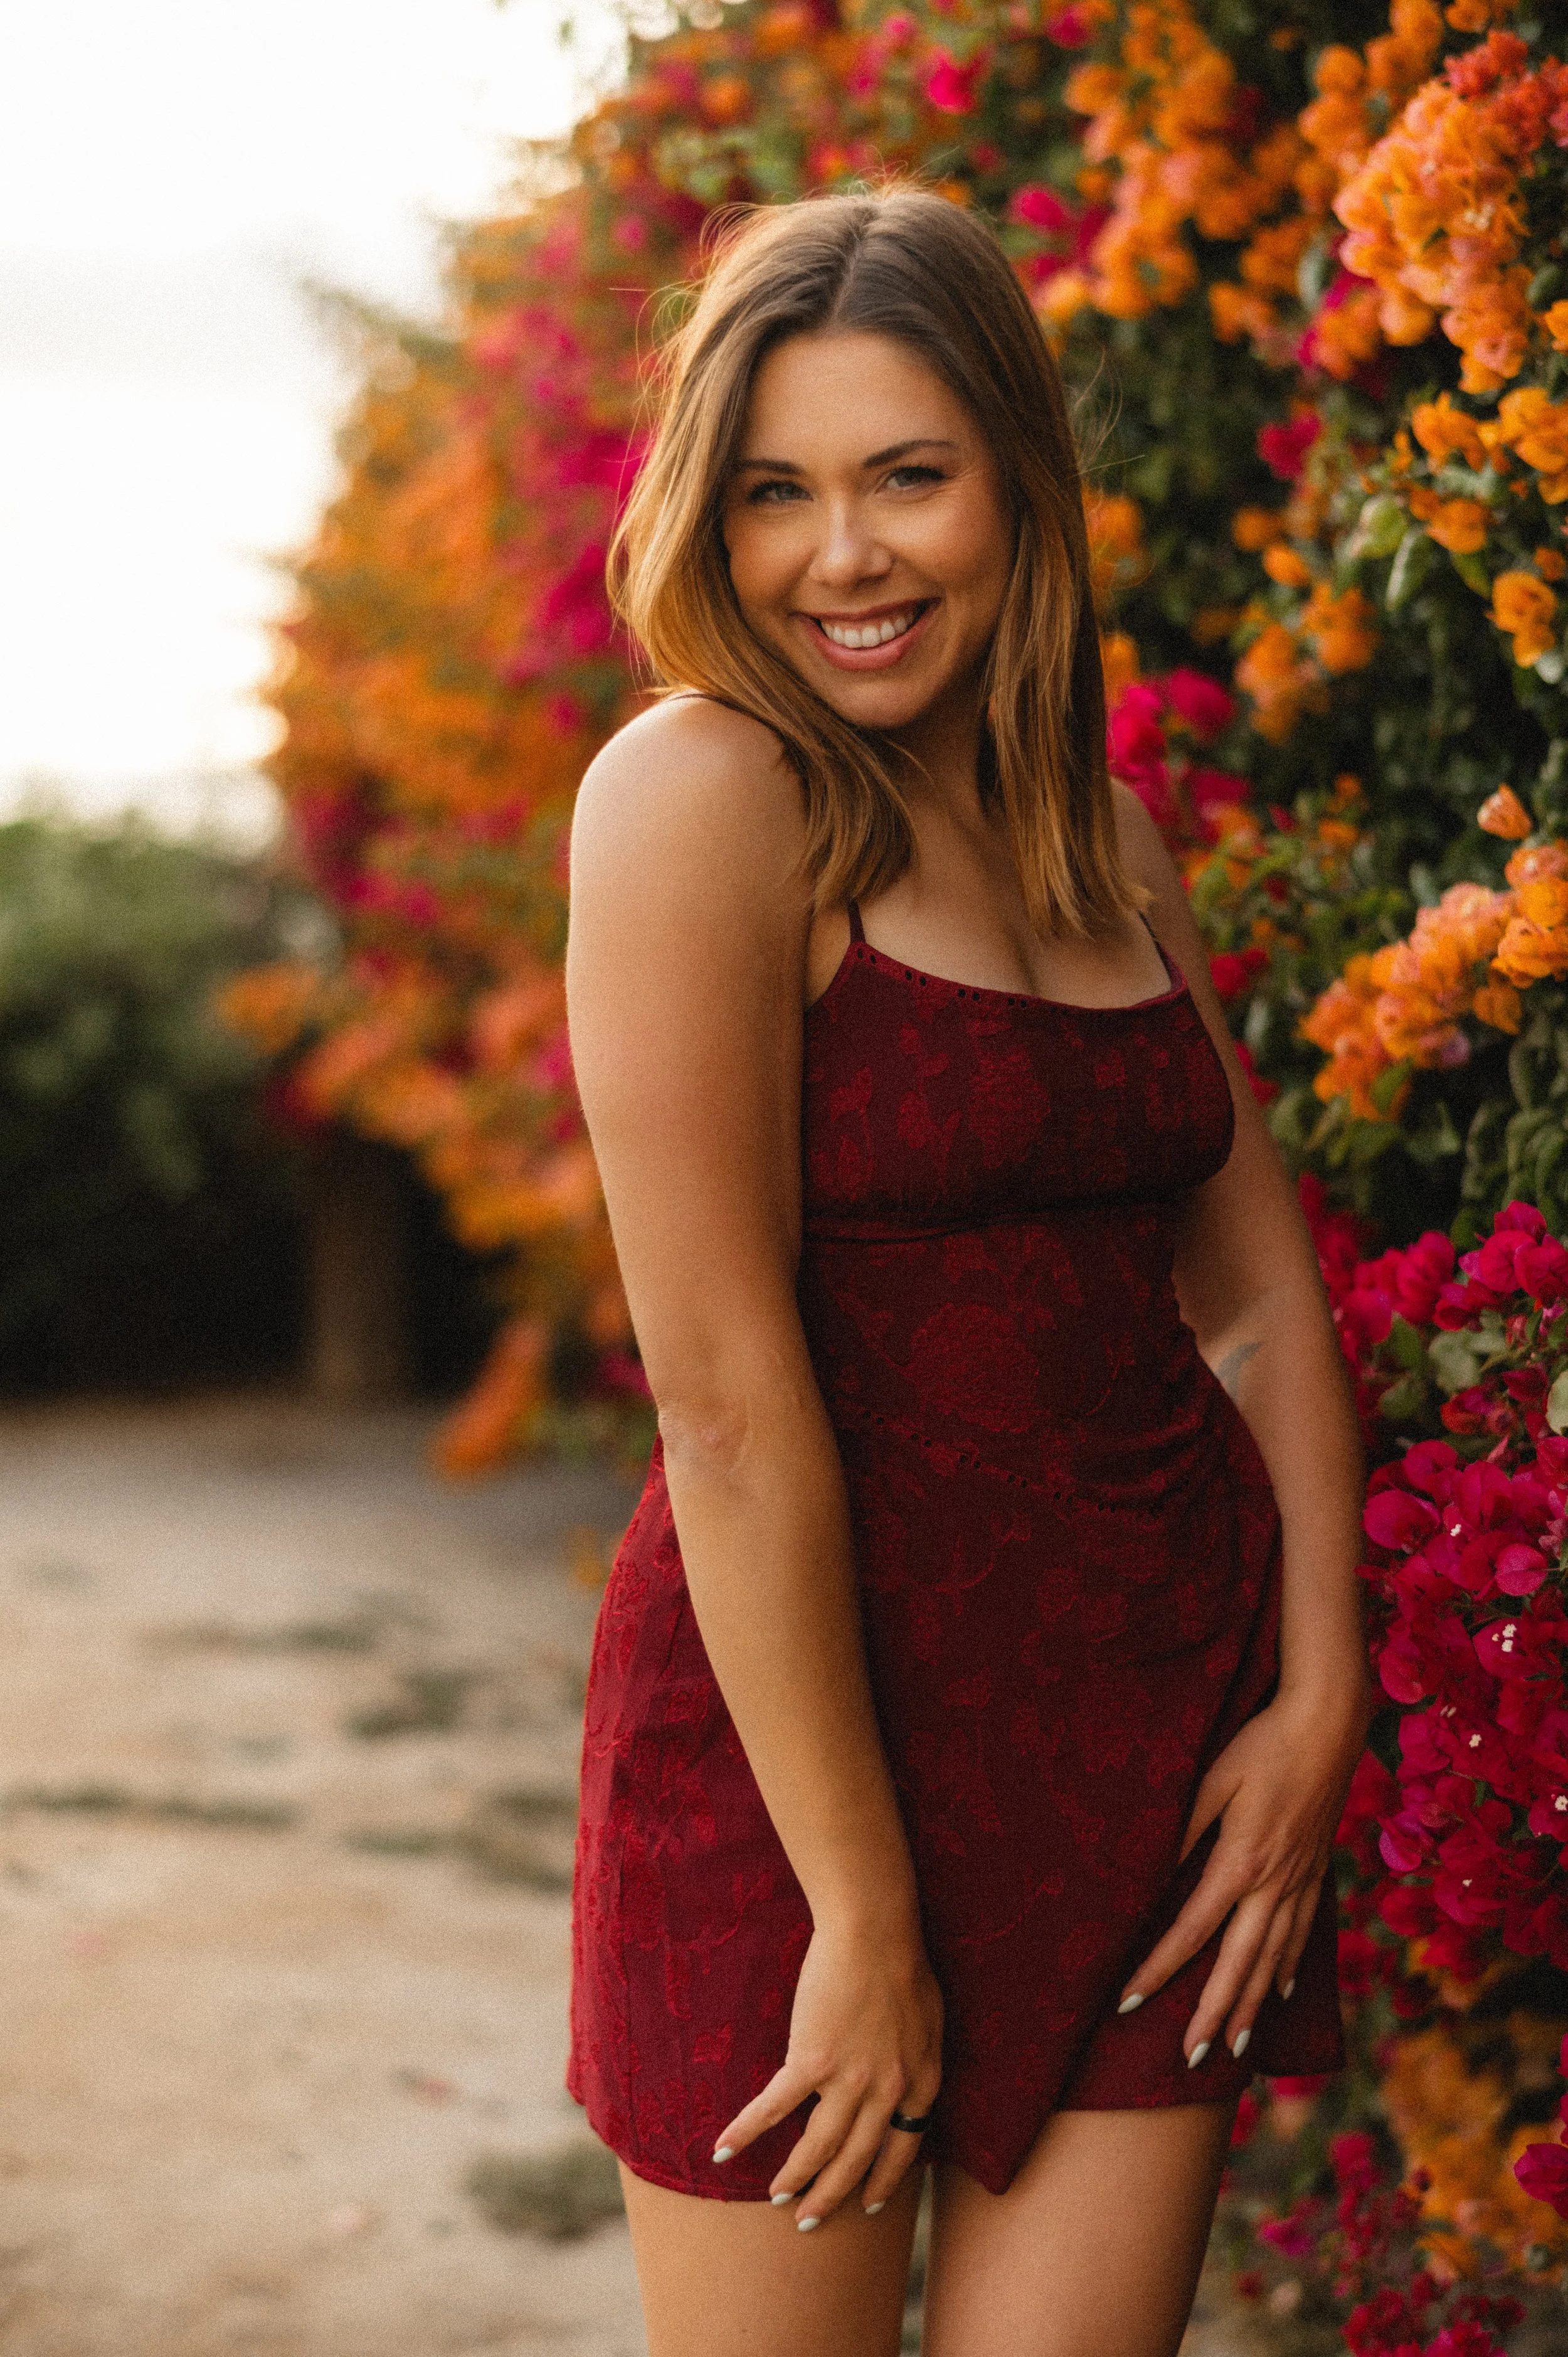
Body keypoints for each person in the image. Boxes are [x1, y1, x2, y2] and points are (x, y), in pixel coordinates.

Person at [563, 185, 1370, 2357]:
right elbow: (724, 1405)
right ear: (706, 518)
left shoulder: (1097, 838)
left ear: (1016, 477)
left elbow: (1251, 1287)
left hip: (1147, 1762)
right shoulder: (699, 797)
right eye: (777, 493)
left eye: (908, 475)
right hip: (794, 1782)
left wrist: (1318, 1694)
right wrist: (860, 1906)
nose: (847, 554)